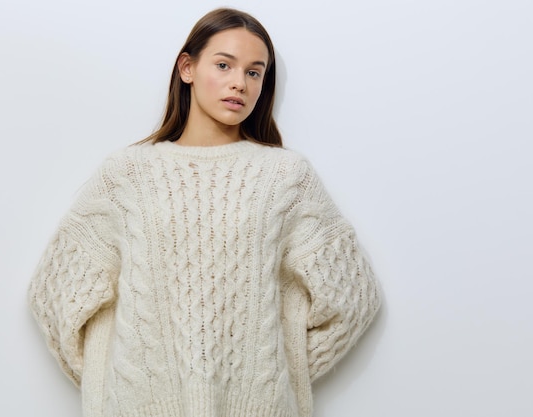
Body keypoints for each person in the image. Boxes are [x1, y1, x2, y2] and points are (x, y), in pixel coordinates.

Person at [28, 7, 381, 417]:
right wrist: (120, 383)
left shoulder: (285, 176)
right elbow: (54, 295)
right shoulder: (127, 174)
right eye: (224, 64)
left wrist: (276, 372)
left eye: (254, 72)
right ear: (187, 68)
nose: (239, 83)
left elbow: (354, 298)